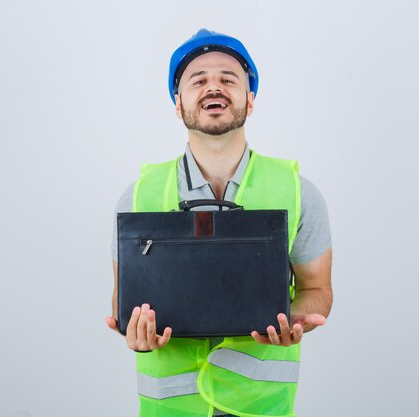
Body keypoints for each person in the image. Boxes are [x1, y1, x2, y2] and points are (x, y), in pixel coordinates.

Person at [105, 28, 333, 417]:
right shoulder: (139, 195)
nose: (215, 87)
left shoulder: (298, 191)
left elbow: (317, 290)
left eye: (229, 79)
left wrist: (293, 319)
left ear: (250, 99)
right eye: (199, 80)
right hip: (172, 410)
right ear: (178, 104)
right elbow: (120, 299)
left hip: (259, 408)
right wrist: (135, 329)